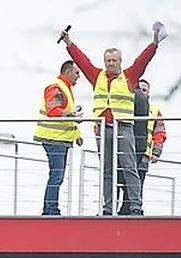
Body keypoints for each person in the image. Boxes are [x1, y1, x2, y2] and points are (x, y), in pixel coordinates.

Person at [62, 26, 161, 216]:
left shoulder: (129, 76)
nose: (111, 64)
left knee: (129, 167)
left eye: (114, 60)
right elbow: (82, 61)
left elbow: (143, 61)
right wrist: (69, 44)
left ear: (120, 62)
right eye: (108, 60)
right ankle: (107, 209)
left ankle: (135, 207)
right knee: (106, 170)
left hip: (123, 128)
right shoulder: (97, 75)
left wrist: (154, 44)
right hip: (103, 129)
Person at [34, 60, 84, 216]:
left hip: (59, 139)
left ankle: (50, 209)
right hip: (53, 138)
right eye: (77, 73)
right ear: (68, 73)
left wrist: (76, 135)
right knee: (56, 176)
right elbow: (53, 110)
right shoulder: (56, 87)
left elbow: (66, 115)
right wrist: (72, 116)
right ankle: (50, 210)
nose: (79, 76)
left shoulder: (65, 88)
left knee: (56, 175)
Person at [136, 79, 166, 185]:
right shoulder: (125, 105)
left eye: (144, 90)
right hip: (124, 153)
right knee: (117, 186)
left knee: (137, 189)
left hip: (144, 155)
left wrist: (156, 152)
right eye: (138, 89)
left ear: (148, 93)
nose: (141, 92)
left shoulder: (154, 110)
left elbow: (159, 133)